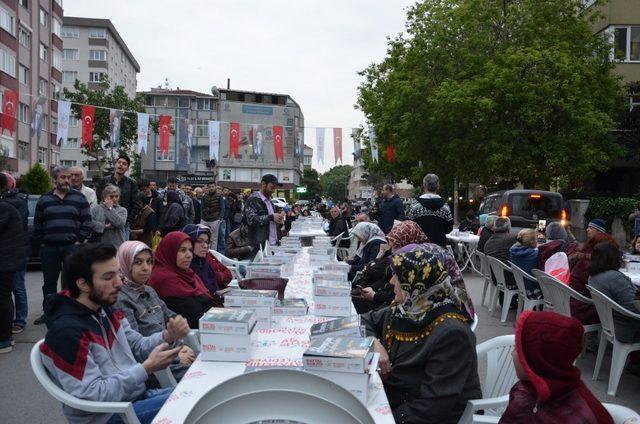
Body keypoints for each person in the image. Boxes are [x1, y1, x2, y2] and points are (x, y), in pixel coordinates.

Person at [40, 243, 190, 424]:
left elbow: (138, 345)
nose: (119, 283)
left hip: (135, 399)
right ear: (83, 284)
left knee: (198, 391)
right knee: (193, 404)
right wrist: (145, 369)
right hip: (107, 415)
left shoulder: (105, 310)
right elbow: (92, 394)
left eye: (118, 274)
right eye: (108, 277)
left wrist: (167, 336)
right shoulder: (67, 332)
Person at [361, 249, 481, 423]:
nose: (391, 281)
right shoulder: (406, 309)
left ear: (416, 283)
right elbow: (365, 321)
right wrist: (374, 343)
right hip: (397, 399)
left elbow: (434, 405)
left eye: (397, 276)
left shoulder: (452, 333)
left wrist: (381, 420)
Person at [499, 311, 613, 424]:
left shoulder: (582, 414)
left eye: (517, 349)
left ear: (537, 361)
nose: (512, 353)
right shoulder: (523, 389)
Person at [114, 241, 195, 383]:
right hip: (156, 368)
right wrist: (176, 356)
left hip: (173, 353)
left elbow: (172, 319)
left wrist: (182, 345)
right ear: (125, 263)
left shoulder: (149, 290)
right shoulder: (121, 299)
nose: (146, 268)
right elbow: (136, 348)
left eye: (149, 262)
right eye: (138, 262)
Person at [33, 166, 92, 325]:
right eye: (63, 177)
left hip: (71, 248)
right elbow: (37, 224)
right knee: (49, 283)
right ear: (55, 180)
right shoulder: (44, 199)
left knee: (70, 282)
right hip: (49, 249)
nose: (67, 180)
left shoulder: (79, 198)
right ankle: (49, 312)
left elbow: (87, 222)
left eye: (68, 177)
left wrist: (79, 240)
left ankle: (69, 313)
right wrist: (43, 241)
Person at [386, 220, 476, 319]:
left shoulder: (424, 259)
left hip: (452, 312)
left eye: (396, 246)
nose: (392, 251)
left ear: (408, 240)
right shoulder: (422, 253)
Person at [148, 232, 216, 328]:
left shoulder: (187, 273)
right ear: (170, 251)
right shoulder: (163, 279)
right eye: (183, 250)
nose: (189, 255)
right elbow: (195, 314)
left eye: (190, 250)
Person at [588, 242, 640, 345]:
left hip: (611, 325)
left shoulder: (593, 277)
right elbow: (633, 307)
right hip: (627, 329)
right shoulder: (615, 278)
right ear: (613, 257)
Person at [568, 222, 616, 326]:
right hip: (583, 310)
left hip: (572, 304)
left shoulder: (584, 259)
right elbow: (606, 290)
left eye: (591, 228)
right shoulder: (590, 266)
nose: (587, 230)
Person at [0, 172, 29, 335]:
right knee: (5, 293)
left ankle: (20, 319)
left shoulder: (15, 202)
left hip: (13, 253)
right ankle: (7, 323)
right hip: (10, 253)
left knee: (17, 287)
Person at [181, 224, 232, 298]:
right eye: (199, 241)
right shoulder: (184, 267)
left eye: (207, 242)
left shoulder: (203, 262)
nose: (205, 246)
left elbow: (228, 274)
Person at [96, 154, 139, 239]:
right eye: (119, 162)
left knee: (121, 249)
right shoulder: (104, 181)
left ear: (127, 168)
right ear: (115, 164)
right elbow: (98, 200)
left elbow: (135, 204)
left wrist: (127, 221)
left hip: (123, 223)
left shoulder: (132, 183)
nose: (121, 165)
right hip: (105, 222)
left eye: (124, 163)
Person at [406, 173, 453, 247]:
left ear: (424, 185)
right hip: (439, 247)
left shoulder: (415, 205)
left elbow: (409, 227)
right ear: (438, 186)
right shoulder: (445, 206)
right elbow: (449, 228)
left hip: (419, 248)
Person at [244, 174, 286, 254]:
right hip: (259, 247)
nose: (273, 190)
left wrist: (279, 220)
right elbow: (251, 220)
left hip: (273, 244)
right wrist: (271, 217)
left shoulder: (270, 201)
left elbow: (271, 221)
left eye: (274, 188)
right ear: (263, 184)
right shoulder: (253, 200)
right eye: (271, 187)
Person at [484, 217, 518, 294]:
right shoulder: (511, 239)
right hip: (509, 279)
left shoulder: (488, 242)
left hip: (495, 277)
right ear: (509, 227)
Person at [90, 184, 128, 248]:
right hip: (98, 245)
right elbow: (90, 223)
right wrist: (104, 226)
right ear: (104, 197)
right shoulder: (95, 209)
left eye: (117, 196)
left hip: (116, 245)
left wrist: (110, 209)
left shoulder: (122, 210)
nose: (115, 199)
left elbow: (120, 223)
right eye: (111, 196)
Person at [200, 181, 223, 250]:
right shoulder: (204, 196)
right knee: (202, 237)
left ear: (215, 187)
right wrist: (202, 216)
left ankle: (213, 256)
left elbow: (222, 208)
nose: (211, 188)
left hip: (215, 219)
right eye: (209, 187)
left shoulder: (219, 196)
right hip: (204, 219)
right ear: (207, 187)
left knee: (213, 239)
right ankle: (203, 252)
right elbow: (202, 207)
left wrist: (220, 218)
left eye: (213, 186)